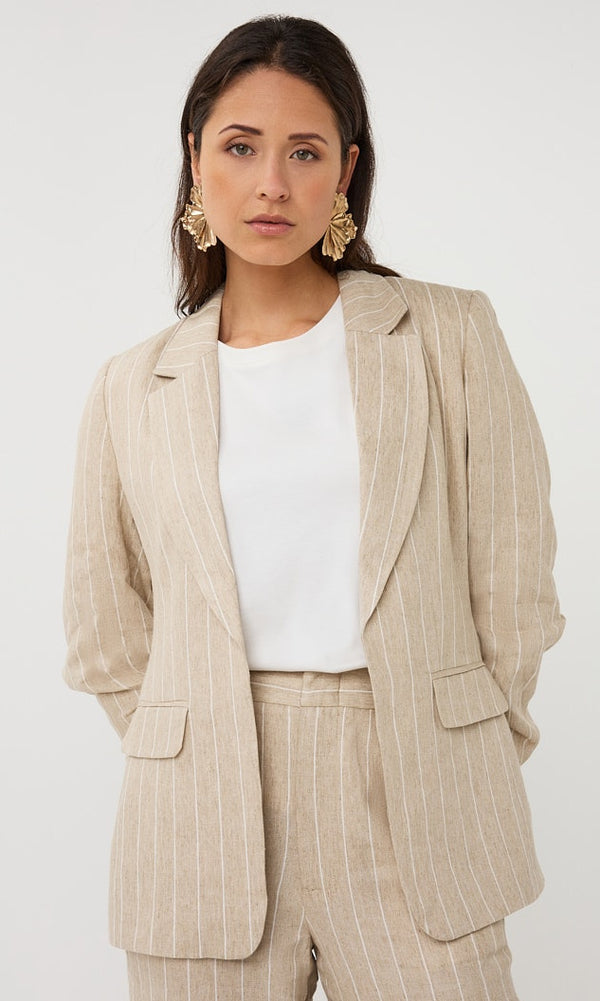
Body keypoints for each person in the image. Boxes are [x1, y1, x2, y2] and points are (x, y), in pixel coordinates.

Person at [62, 14, 566, 1001]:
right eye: (241, 147)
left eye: (305, 152)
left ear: (345, 172)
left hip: (416, 788)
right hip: (197, 813)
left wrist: (461, 737)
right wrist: (188, 737)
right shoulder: (133, 384)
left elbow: (514, 575)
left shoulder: (449, 334)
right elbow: (104, 626)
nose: (272, 184)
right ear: (195, 159)